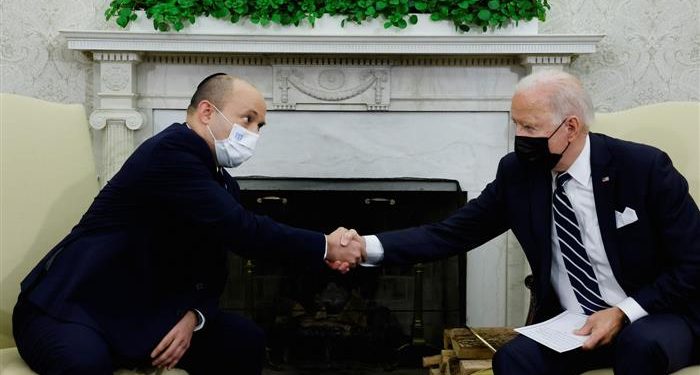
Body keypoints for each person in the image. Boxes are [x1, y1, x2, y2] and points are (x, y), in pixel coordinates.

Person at [337, 70, 700, 374]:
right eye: (516, 125)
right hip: (573, 322)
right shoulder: (519, 175)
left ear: (570, 127)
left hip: (654, 314)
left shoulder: (643, 168)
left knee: (639, 346)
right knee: (515, 359)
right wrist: (365, 247)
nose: (520, 138)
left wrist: (622, 313)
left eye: (530, 127)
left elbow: (693, 262)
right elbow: (451, 233)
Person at [12, 73, 365, 375]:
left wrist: (192, 316)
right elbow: (243, 231)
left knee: (244, 341)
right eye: (247, 119)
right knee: (85, 364)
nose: (254, 133)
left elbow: (213, 269)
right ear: (207, 112)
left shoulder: (223, 181)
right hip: (71, 308)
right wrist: (327, 246)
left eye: (260, 126)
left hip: (144, 313)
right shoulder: (170, 153)